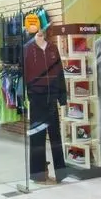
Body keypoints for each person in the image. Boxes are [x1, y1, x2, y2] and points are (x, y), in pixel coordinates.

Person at [23, 26, 68, 184]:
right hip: (36, 100)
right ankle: (38, 175)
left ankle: (61, 174)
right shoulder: (27, 49)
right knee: (37, 138)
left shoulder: (53, 48)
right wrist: (25, 96)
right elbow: (23, 74)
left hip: (52, 99)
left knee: (56, 137)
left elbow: (59, 72)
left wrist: (62, 96)